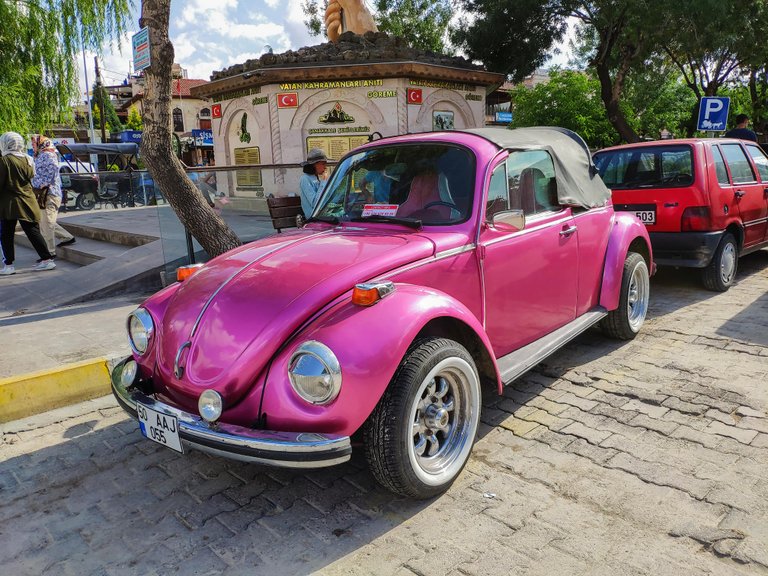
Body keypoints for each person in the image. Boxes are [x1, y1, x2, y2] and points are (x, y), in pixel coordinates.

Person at [0, 132, 57, 274]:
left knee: (6, 234)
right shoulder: (28, 159)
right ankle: (47, 260)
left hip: (10, 203)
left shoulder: (5, 160)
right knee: (32, 231)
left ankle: (9, 265)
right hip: (28, 200)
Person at [32, 136, 76, 253]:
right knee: (46, 221)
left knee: (47, 224)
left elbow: (52, 171)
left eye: (34, 144)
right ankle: (67, 237)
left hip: (49, 194)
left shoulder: (48, 155)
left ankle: (49, 253)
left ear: (41, 144)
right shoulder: (40, 155)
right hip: (45, 194)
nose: (33, 146)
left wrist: (42, 183)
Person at [299, 148, 328, 217]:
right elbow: (315, 203)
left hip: (322, 214)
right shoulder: (305, 179)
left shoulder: (316, 177)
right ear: (315, 164)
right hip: (314, 217)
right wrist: (323, 182)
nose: (325, 167)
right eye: (323, 164)